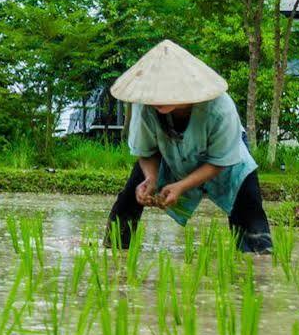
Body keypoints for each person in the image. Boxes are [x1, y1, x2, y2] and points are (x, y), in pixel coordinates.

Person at [105, 39, 273, 254]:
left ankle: (259, 262)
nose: (158, 99)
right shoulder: (145, 107)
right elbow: (146, 151)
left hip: (225, 159)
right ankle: (115, 251)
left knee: (248, 204)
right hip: (169, 153)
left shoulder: (220, 108)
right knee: (131, 194)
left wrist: (181, 186)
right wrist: (151, 178)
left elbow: (220, 160)